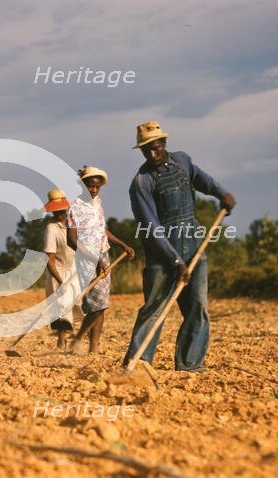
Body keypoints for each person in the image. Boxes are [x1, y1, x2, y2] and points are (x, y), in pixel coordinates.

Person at [122, 121, 236, 372]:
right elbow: (151, 228)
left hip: (194, 244)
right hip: (161, 255)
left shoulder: (182, 161)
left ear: (164, 142)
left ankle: (191, 363)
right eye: (146, 150)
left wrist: (222, 194)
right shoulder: (141, 182)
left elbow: (203, 180)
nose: (152, 154)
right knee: (155, 308)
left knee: (198, 306)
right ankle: (138, 364)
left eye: (156, 147)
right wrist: (175, 261)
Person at [67, 166, 135, 355]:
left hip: (103, 255)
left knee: (102, 304)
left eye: (97, 187)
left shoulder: (98, 204)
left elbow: (102, 230)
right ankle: (79, 337)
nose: (94, 190)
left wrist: (122, 244)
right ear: (82, 186)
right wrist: (93, 259)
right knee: (96, 304)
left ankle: (93, 348)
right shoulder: (74, 208)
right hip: (87, 259)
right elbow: (71, 240)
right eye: (90, 186)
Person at [43, 189, 81, 349]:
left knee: (77, 307)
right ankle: (61, 342)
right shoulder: (52, 228)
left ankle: (74, 342)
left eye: (62, 210)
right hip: (58, 272)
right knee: (62, 310)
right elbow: (49, 261)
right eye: (57, 211)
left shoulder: (74, 224)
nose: (61, 213)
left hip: (75, 272)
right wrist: (61, 282)